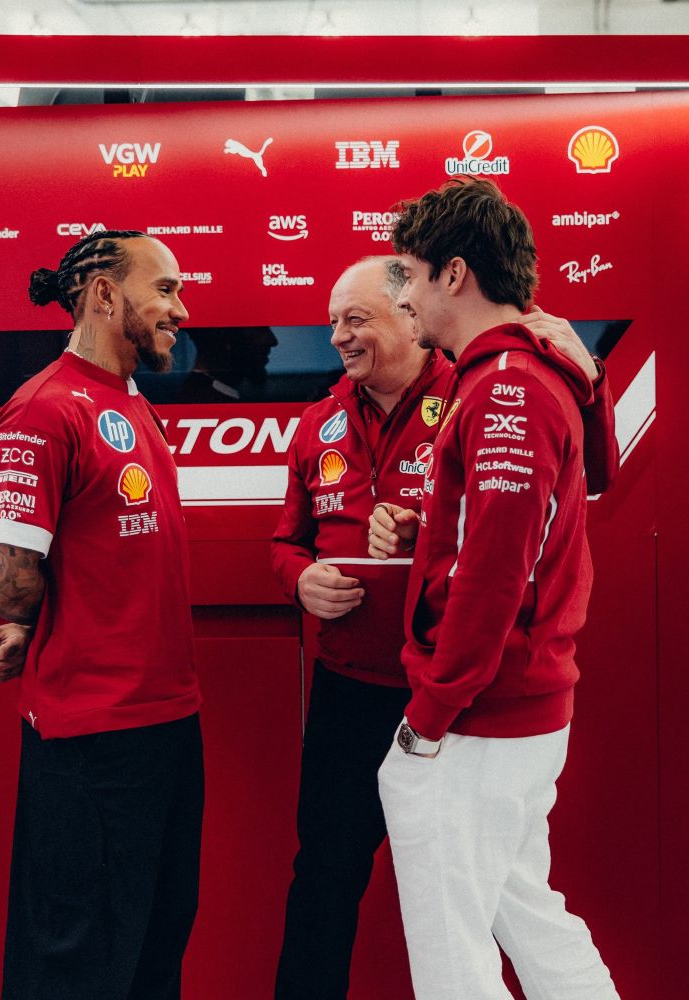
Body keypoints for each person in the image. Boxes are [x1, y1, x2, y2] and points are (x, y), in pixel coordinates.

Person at [270, 254, 617, 1000]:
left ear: (414, 309)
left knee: (463, 920)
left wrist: (429, 712)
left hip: (451, 701)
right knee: (334, 876)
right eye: (330, 321)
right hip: (354, 689)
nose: (335, 336)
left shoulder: (482, 391)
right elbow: (288, 541)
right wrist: (300, 577)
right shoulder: (319, 422)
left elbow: (502, 560)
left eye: (353, 318)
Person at [371, 179, 620, 999]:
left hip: (481, 713)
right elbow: (576, 490)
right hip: (517, 704)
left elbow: (494, 571)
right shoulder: (531, 367)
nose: (398, 296)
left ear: (451, 274)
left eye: (404, 275)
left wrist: (431, 715)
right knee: (527, 914)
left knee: (452, 953)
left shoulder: (504, 381)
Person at [0, 230, 202, 1000]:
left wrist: (40, 624)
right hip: (93, 741)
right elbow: (3, 581)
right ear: (104, 295)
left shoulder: (129, 401)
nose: (181, 308)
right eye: (164, 289)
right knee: (76, 964)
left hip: (166, 724)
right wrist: (38, 622)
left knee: (151, 950)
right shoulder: (42, 410)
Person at [173, 325, 278, 402]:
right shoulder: (201, 402)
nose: (273, 341)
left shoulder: (210, 395)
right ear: (226, 337)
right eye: (260, 329)